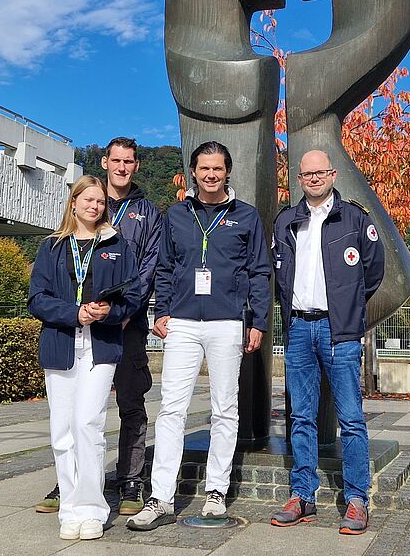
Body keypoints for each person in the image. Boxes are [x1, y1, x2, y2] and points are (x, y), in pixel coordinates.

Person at [127, 141, 271, 531]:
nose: (211, 175)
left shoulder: (246, 216)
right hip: (184, 323)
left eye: (218, 169)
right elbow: (164, 266)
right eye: (204, 168)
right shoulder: (176, 214)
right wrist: (162, 309)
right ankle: (160, 498)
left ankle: (216, 491)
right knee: (171, 409)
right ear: (193, 172)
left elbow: (259, 271)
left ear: (228, 172)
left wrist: (257, 321)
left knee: (225, 408)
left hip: (227, 322)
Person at [35, 138, 162, 516]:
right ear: (105, 162)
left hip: (128, 321)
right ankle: (68, 483)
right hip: (78, 325)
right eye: (116, 160)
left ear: (136, 166)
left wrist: (123, 312)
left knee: (131, 399)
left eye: (129, 161)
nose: (122, 167)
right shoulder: (86, 203)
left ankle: (130, 480)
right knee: (74, 411)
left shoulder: (148, 212)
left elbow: (148, 269)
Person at [269, 150, 385, 535]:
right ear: (298, 178)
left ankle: (356, 500)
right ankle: (302, 495)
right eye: (307, 174)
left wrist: (347, 307)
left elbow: (373, 271)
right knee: (300, 416)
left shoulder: (354, 218)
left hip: (340, 331)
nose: (314, 179)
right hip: (299, 328)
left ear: (333, 174)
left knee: (350, 419)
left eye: (321, 172)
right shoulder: (287, 221)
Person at [28, 175, 140, 541]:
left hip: (101, 347)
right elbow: (37, 299)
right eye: (88, 200)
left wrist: (105, 312)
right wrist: (74, 313)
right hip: (61, 343)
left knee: (87, 425)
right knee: (62, 431)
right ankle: (70, 506)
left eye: (100, 202)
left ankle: (92, 508)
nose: (95, 206)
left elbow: (133, 296)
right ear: (73, 203)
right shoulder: (52, 247)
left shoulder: (117, 244)